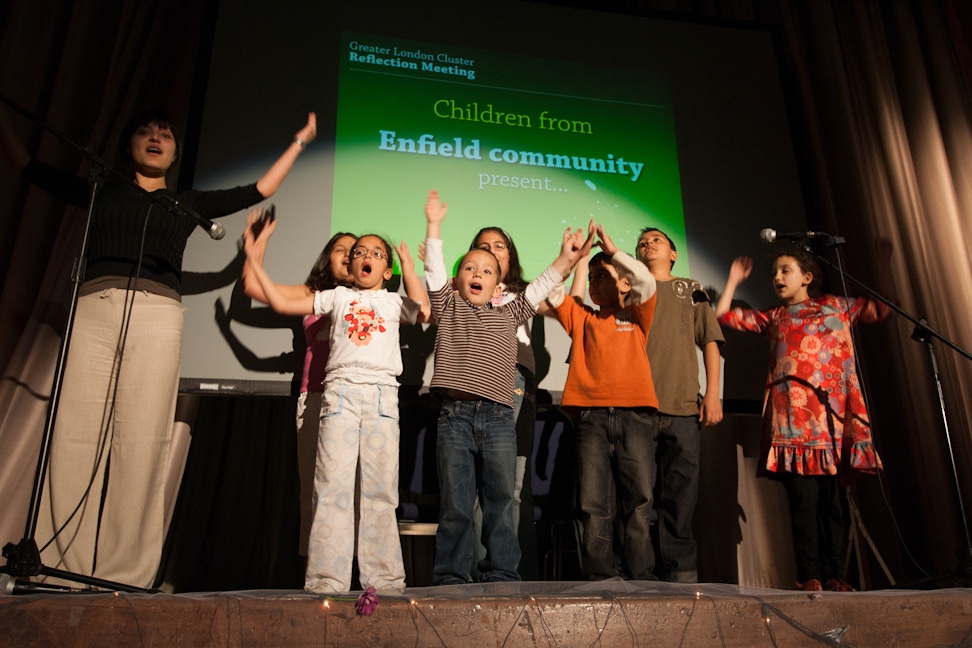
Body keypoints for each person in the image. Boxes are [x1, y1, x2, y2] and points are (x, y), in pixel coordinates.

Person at [8, 109, 317, 589]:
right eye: (145, 131)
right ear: (127, 144)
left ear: (174, 152)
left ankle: (121, 573)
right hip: (93, 305)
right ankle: (61, 569)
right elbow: (28, 166)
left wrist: (300, 141)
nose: (156, 137)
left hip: (157, 313)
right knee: (74, 432)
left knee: (142, 437)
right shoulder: (101, 190)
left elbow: (259, 190)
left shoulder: (184, 203)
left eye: (166, 133)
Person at [244, 221, 429, 593]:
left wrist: (410, 267)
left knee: (380, 491)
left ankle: (385, 580)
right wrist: (255, 260)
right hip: (339, 394)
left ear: (386, 270)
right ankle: (326, 580)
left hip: (381, 397)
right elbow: (280, 302)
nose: (365, 257)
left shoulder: (394, 302)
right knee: (331, 487)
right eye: (359, 252)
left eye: (377, 254)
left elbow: (424, 311)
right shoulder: (337, 297)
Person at [422, 190, 588, 585]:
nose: (477, 274)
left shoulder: (512, 308)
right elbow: (433, 270)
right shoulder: (448, 305)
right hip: (455, 417)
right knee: (457, 505)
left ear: (501, 281)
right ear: (457, 277)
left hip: (498, 418)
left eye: (487, 269)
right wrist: (434, 225)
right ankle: (451, 577)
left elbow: (545, 281)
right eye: (470, 267)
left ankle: (501, 575)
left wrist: (569, 257)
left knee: (500, 501)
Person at [715, 249, 889, 592]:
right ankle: (810, 575)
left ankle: (836, 574)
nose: (777, 278)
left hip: (832, 423)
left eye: (786, 270)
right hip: (793, 425)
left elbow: (879, 309)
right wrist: (733, 280)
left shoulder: (836, 307)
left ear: (807, 277)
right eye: (774, 273)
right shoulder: (775, 316)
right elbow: (722, 316)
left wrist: (881, 264)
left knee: (832, 506)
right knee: (802, 505)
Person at [550, 223, 659, 580]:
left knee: (639, 500)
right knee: (593, 503)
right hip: (592, 419)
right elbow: (552, 293)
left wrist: (614, 253)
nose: (595, 283)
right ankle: (600, 577)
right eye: (592, 278)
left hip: (636, 417)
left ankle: (641, 577)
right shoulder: (582, 317)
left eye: (604, 275)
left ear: (624, 282)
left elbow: (646, 281)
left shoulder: (636, 314)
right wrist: (572, 259)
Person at [241, 226, 356, 558]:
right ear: (327, 259)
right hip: (316, 397)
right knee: (314, 490)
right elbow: (253, 286)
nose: (348, 254)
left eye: (355, 249)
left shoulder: (370, 296)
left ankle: (351, 576)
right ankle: (314, 577)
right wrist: (256, 248)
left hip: (355, 401)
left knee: (351, 492)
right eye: (340, 249)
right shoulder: (313, 293)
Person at [635, 227, 724, 583]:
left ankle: (681, 574)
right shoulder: (632, 293)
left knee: (679, 497)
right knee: (638, 499)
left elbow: (711, 342)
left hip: (683, 406)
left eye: (657, 240)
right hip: (637, 409)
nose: (648, 244)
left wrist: (713, 393)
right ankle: (639, 573)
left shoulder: (691, 288)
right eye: (642, 243)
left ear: (673, 253)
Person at [468, 227, 541, 580]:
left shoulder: (524, 292)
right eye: (483, 247)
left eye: (500, 246)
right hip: (476, 375)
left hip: (515, 379)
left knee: (509, 485)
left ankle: (502, 575)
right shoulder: (467, 288)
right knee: (480, 485)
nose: (492, 251)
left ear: (510, 256)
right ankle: (477, 575)